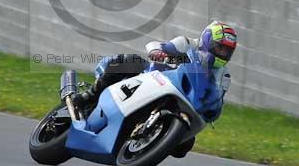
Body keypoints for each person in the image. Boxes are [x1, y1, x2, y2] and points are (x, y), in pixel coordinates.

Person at [73, 21, 237, 144]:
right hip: (152, 78)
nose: (223, 53)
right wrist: (157, 52)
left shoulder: (224, 76)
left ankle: (153, 140)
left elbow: (216, 96)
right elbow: (155, 45)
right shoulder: (187, 44)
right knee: (130, 61)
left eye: (227, 51)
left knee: (185, 145)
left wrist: (211, 109)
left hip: (183, 100)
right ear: (207, 41)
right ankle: (90, 95)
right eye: (219, 48)